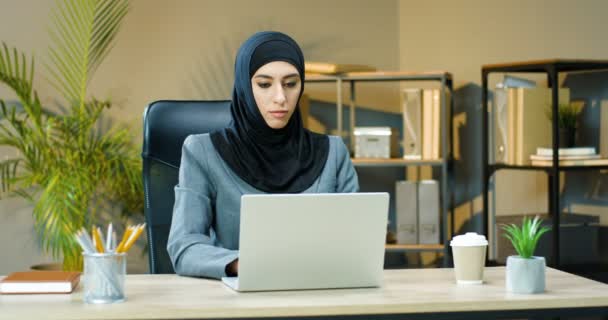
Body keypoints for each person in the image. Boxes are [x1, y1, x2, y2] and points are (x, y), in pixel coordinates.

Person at [167, 31, 358, 280]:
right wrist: (240, 264)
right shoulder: (202, 152)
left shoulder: (333, 153)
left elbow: (357, 240)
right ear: (245, 86)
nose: (280, 97)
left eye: (290, 84)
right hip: (240, 300)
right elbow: (184, 248)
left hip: (318, 293)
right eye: (265, 84)